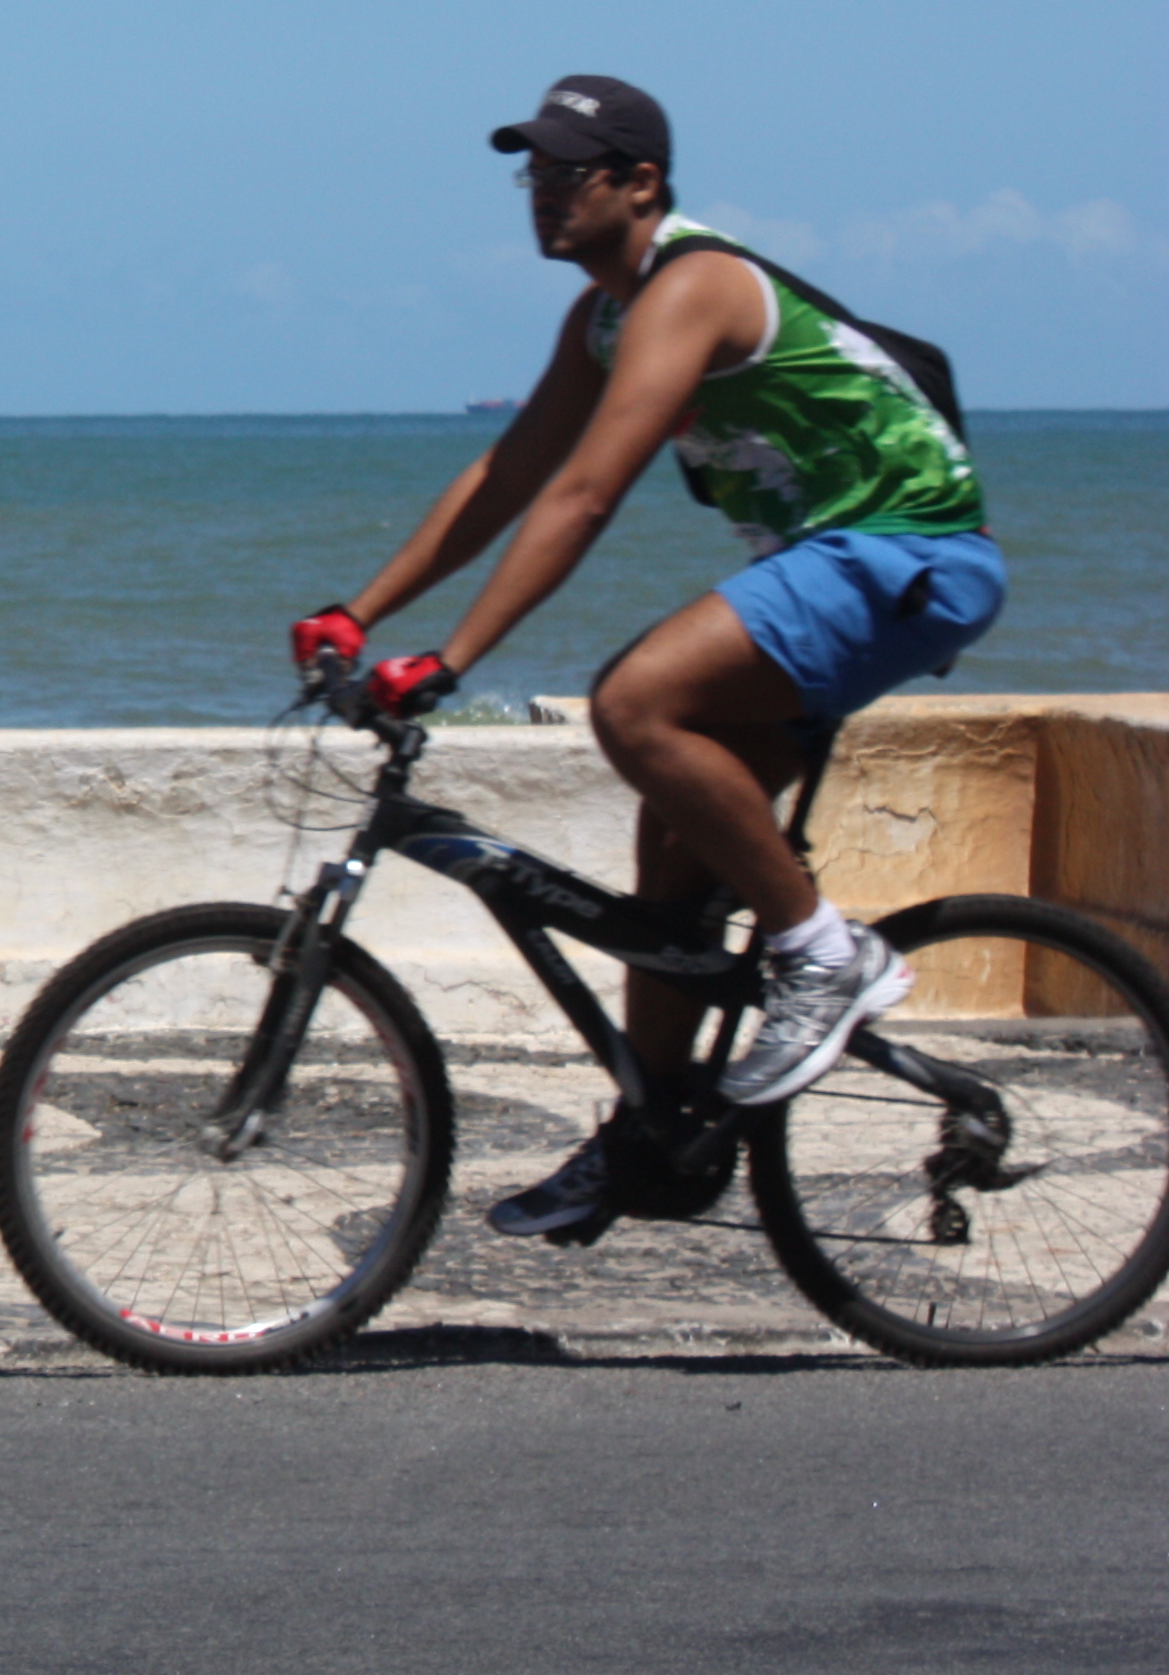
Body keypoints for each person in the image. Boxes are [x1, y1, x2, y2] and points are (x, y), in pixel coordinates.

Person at [292, 76, 1003, 1244]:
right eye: (534, 172)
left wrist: (455, 658)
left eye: (570, 171)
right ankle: (651, 1127)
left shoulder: (697, 283)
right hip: (836, 565)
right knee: (669, 847)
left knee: (636, 702)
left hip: (906, 552)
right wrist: (356, 613)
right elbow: (510, 473)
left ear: (642, 183)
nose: (544, 194)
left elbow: (583, 496)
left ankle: (827, 954)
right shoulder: (605, 316)